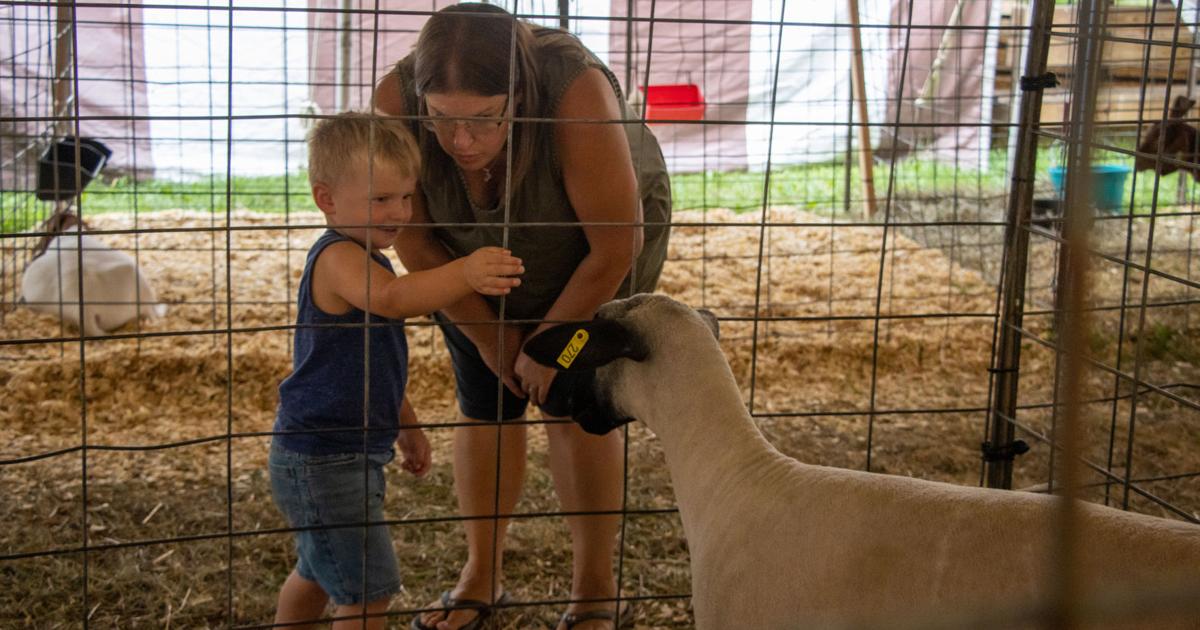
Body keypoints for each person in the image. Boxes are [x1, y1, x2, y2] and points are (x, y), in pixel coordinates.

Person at [374, 4, 671, 630]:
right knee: (486, 399)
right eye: (442, 119)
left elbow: (616, 244)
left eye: (484, 119)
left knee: (569, 400)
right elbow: (417, 240)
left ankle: (594, 591)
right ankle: (480, 577)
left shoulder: (573, 90)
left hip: (590, 261)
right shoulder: (395, 100)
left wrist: (545, 346)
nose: (461, 142)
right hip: (472, 265)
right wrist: (491, 339)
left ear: (520, 93)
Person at [269, 112, 525, 629]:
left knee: (320, 573)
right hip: (325, 457)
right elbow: (391, 301)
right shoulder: (340, 258)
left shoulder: (366, 255)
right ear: (327, 199)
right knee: (367, 592)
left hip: (332, 452)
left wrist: (405, 424)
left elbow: (368, 361)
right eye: (381, 199)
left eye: (406, 197)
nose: (399, 212)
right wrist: (465, 271)